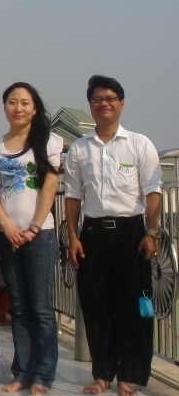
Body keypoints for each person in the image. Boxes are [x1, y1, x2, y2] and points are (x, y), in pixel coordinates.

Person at [65, 75, 161, 396]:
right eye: (97, 99)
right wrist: (73, 236)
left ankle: (127, 376)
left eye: (110, 98)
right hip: (93, 233)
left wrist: (151, 232)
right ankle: (103, 373)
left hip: (131, 233)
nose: (103, 103)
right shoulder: (79, 148)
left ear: (121, 103)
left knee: (131, 305)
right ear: (90, 105)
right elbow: (73, 196)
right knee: (95, 304)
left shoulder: (139, 144)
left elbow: (152, 191)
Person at [0, 82, 63, 395]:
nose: (18, 108)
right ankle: (23, 371)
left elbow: (49, 187)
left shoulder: (49, 142)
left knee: (41, 308)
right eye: (12, 102)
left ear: (34, 108)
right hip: (8, 236)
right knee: (19, 307)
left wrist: (33, 228)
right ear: (5, 108)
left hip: (39, 235)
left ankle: (43, 374)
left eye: (25, 103)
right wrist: (6, 227)